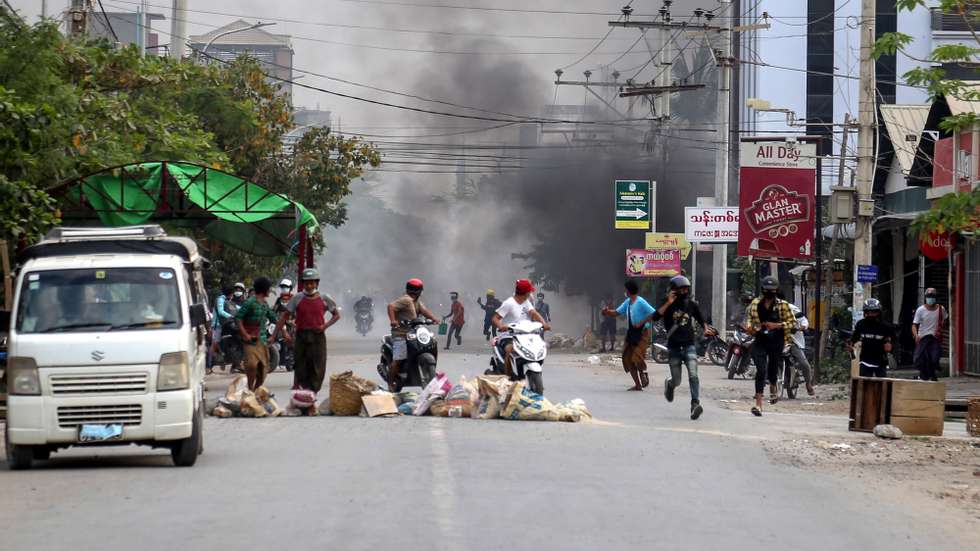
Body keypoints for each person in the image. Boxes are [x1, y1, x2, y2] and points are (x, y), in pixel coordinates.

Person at [642, 275, 714, 420]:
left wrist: (706, 328)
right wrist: (668, 302)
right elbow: (655, 317)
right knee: (677, 380)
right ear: (674, 290)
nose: (684, 292)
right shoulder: (667, 304)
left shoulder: (691, 305)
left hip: (689, 345)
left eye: (686, 289)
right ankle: (670, 384)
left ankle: (695, 404)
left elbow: (701, 319)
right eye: (681, 289)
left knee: (693, 375)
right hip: (674, 347)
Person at [274, 268, 340, 394]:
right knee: (300, 366)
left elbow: (336, 315)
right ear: (303, 283)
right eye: (306, 283)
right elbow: (284, 316)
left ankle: (312, 394)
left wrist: (324, 326)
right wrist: (281, 333)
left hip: (318, 336)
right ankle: (305, 393)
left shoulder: (325, 298)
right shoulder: (297, 298)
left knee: (318, 367)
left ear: (317, 283)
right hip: (301, 336)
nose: (309, 286)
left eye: (312, 283)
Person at [744, 276, 797, 416]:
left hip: (776, 341)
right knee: (761, 370)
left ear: (776, 290)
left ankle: (773, 387)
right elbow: (749, 320)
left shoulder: (783, 305)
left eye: (772, 290)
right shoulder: (755, 304)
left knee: (773, 367)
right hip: (760, 340)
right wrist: (750, 327)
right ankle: (758, 405)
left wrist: (777, 325)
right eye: (767, 290)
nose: (769, 293)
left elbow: (793, 323)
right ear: (762, 290)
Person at [387, 279, 440, 392]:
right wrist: (393, 321)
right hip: (401, 334)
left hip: (414, 333)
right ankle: (390, 383)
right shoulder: (406, 300)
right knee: (399, 359)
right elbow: (391, 306)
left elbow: (424, 311)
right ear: (420, 291)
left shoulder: (416, 301)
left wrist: (434, 319)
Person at [601, 280, 655, 391]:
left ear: (629, 291)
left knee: (636, 356)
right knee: (627, 358)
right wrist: (606, 312)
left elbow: (653, 312)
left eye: (626, 289)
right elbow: (616, 312)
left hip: (642, 333)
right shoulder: (628, 302)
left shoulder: (640, 302)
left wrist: (642, 322)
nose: (624, 291)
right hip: (631, 333)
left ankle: (643, 373)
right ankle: (637, 385)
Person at [492, 279, 551, 378]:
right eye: (529, 291)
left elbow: (534, 313)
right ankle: (509, 377)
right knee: (510, 349)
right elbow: (495, 318)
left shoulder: (526, 302)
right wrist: (501, 326)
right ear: (525, 293)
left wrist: (544, 324)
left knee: (540, 346)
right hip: (509, 335)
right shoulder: (509, 303)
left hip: (526, 334)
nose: (530, 293)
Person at [235, 277, 279, 391]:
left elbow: (274, 319)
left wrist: (276, 334)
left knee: (263, 368)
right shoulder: (250, 302)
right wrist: (245, 335)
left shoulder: (265, 304)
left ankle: (255, 390)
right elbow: (238, 318)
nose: (270, 291)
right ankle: (250, 389)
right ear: (264, 289)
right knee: (252, 365)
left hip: (262, 340)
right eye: (269, 289)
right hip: (250, 341)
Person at [850, 298, 894, 378]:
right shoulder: (861, 324)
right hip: (865, 360)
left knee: (881, 385)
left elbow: (893, 341)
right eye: (868, 312)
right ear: (865, 313)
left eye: (874, 312)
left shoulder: (886, 327)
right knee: (864, 385)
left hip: (880, 361)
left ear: (879, 312)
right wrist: (851, 345)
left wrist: (890, 346)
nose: (871, 314)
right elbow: (854, 339)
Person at [912, 288, 946, 381]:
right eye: (929, 297)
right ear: (925, 298)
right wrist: (916, 335)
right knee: (920, 359)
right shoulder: (920, 310)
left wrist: (940, 330)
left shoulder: (941, 309)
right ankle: (925, 376)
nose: (930, 299)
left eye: (932, 297)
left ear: (936, 298)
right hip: (922, 338)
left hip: (934, 338)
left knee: (934, 358)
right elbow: (914, 325)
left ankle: (930, 374)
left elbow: (944, 321)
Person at [787, 303, 815, 395]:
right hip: (778, 340)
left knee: (804, 363)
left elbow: (804, 322)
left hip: (793, 341)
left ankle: (808, 383)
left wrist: (799, 328)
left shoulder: (793, 309)